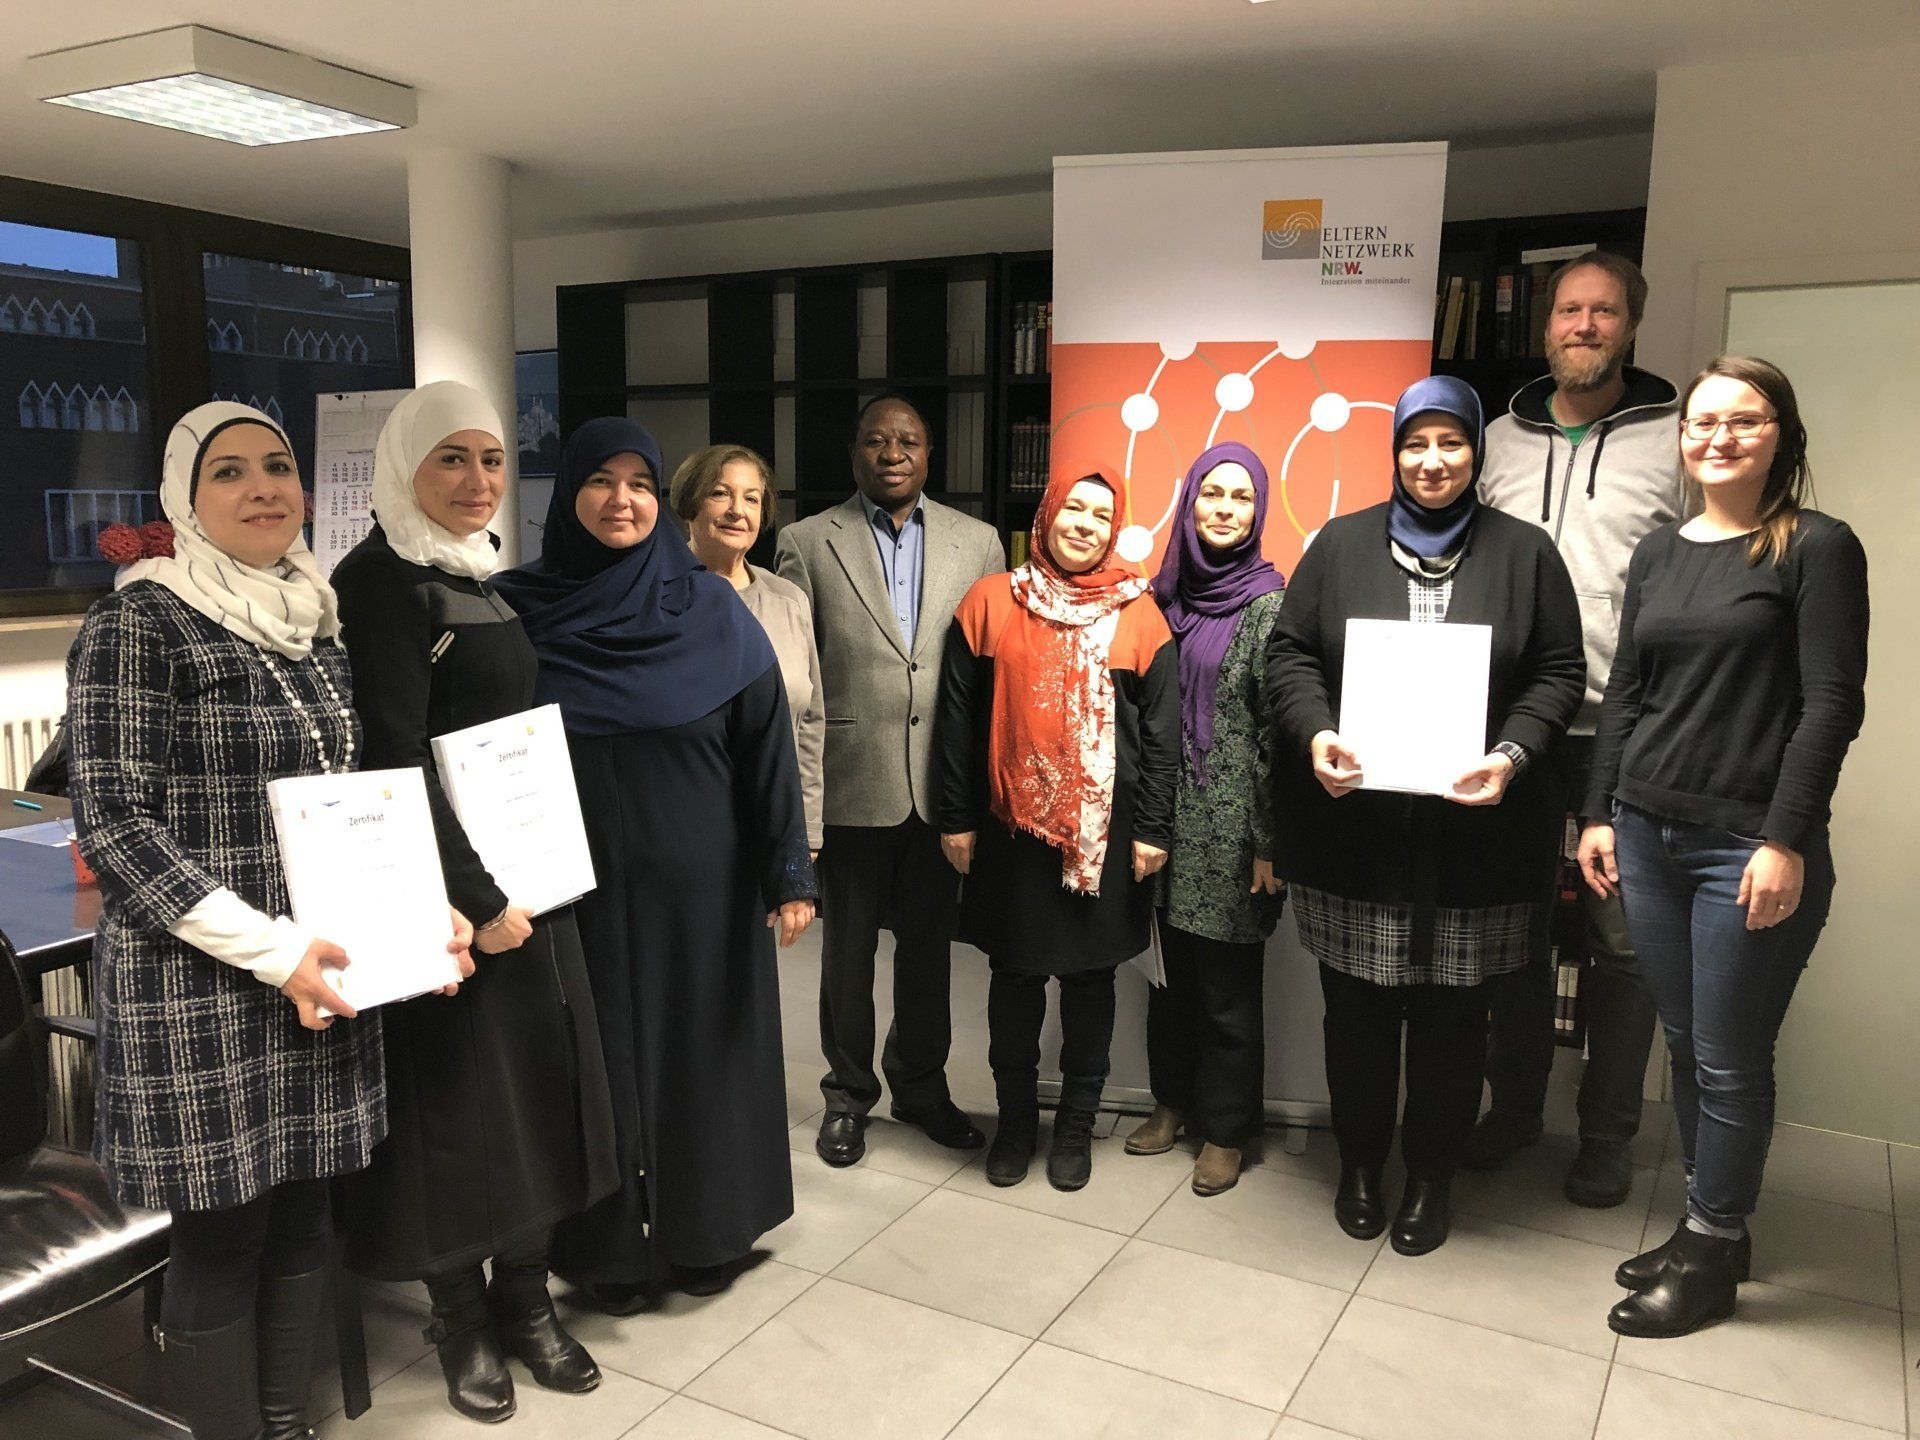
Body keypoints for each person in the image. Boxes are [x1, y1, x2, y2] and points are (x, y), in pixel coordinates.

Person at [66, 401, 473, 1440]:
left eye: (279, 467)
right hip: (202, 981)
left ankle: (285, 1422)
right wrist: (275, 948)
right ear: (185, 500)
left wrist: (423, 913)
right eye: (230, 472)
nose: (263, 490)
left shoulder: (310, 615)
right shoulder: (138, 620)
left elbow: (352, 795)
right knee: (222, 1236)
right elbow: (115, 822)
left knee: (304, 1209)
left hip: (321, 973)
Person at [331, 381, 617, 1423]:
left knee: (536, 1094)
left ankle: (528, 1303)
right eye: (451, 458)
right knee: (456, 1114)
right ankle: (459, 1319)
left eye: (492, 460)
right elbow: (392, 757)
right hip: (454, 906)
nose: (476, 480)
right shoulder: (378, 583)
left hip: (532, 887)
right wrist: (480, 897)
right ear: (404, 464)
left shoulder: (477, 576)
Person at [493, 417, 816, 1309]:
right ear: (567, 494)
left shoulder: (709, 606)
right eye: (601, 479)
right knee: (593, 1062)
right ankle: (605, 1248)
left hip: (704, 889)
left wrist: (789, 873)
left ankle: (707, 1232)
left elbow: (768, 749)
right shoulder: (517, 609)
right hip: (568, 888)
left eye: (639, 481)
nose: (622, 498)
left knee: (700, 1056)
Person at [1264, 375, 1584, 1256]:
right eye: (1416, 443)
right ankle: (1362, 1168)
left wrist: (1511, 755)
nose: (1432, 460)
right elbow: (1291, 656)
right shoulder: (1340, 544)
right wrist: (1317, 734)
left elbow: (1559, 673)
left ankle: (1430, 1180)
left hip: (1476, 840)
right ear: (1395, 450)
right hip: (1356, 837)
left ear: (1476, 451)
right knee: (1357, 1020)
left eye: (1451, 443)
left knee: (1454, 1028)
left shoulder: (1525, 552)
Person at [1581, 357, 1868, 1338]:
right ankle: (1715, 1231)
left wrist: (1785, 838)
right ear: (1683, 436)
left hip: (1745, 847)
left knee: (1730, 1057)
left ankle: (1709, 1245)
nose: (1720, 437)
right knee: (1685, 1045)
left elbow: (1831, 705)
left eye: (1745, 421)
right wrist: (1598, 813)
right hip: (1649, 836)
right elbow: (1627, 697)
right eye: (1704, 421)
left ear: (1778, 435)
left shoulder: (1814, 548)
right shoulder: (1661, 553)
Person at [1471, 250, 1687, 1207]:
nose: (1585, 326)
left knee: (1623, 942)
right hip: (1512, 729)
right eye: (1569, 310)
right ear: (1545, 325)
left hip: (1626, 731)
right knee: (1507, 929)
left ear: (1631, 324)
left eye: (1604, 311)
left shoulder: (1679, 437)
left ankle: (1605, 1134)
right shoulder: (1496, 438)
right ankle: (1514, 1110)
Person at [775, 394, 1005, 1167]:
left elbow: (986, 670)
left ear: (929, 453)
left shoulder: (978, 545)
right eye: (876, 440)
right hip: (849, 783)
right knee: (846, 955)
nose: (893, 452)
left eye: (908, 439)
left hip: (940, 790)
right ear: (855, 455)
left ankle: (922, 1085)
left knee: (929, 950)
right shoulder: (807, 542)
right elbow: (795, 672)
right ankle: (847, 1093)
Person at [936, 469, 1179, 1191]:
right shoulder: (991, 601)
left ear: (1114, 530)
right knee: (1013, 977)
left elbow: (1162, 737)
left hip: (1102, 839)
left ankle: (1075, 1125)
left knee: (1091, 981)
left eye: (1102, 515)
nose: (1085, 522)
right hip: (1010, 833)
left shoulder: (1139, 614)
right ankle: (1015, 1123)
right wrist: (954, 817)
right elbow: (955, 722)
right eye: (1073, 506)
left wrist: (1154, 830)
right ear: (1047, 514)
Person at [1123, 443, 1286, 1197]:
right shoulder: (1161, 598)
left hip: (1232, 831)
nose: (1223, 509)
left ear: (1257, 512)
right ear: (1188, 505)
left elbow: (1277, 733)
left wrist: (1269, 844)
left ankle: (1226, 1129)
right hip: (1160, 821)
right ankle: (1171, 1103)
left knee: (1225, 990)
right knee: (1165, 980)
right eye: (1210, 495)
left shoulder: (1268, 605)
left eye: (1240, 497)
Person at [671, 442, 825, 850]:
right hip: (685, 830)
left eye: (752, 498)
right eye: (719, 493)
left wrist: (807, 833)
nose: (737, 510)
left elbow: (810, 723)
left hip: (777, 826)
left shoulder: (789, 599)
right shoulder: (658, 597)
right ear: (690, 502)